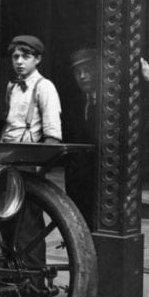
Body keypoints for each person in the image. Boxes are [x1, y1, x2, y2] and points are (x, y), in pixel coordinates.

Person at [0, 34, 62, 144]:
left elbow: (53, 134)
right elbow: (8, 124)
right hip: (6, 150)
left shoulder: (44, 86)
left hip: (28, 153)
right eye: (16, 56)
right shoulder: (12, 86)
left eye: (25, 57)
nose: (19, 61)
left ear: (37, 59)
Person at [64, 47, 99, 228]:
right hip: (79, 184)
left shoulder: (108, 102)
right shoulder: (75, 103)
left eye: (88, 70)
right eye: (78, 72)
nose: (83, 76)